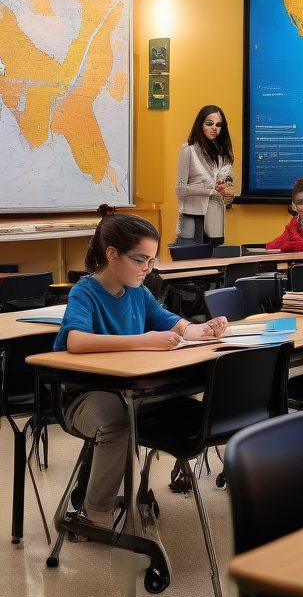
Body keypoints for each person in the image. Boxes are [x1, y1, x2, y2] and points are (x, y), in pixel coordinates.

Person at [54, 214, 228, 527]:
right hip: (82, 395)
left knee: (162, 406)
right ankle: (96, 514)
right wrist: (143, 341)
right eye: (140, 260)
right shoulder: (86, 291)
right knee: (117, 422)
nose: (147, 268)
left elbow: (175, 324)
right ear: (111, 253)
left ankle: (107, 498)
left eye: (151, 260)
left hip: (129, 389)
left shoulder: (139, 292)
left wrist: (205, 330)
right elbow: (76, 341)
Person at [175, 104, 234, 246]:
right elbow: (179, 189)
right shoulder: (188, 150)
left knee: (213, 264)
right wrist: (210, 191)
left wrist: (228, 195)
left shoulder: (224, 155)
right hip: (192, 220)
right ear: (200, 124)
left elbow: (228, 199)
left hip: (215, 221)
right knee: (191, 263)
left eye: (218, 125)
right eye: (209, 123)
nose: (214, 128)